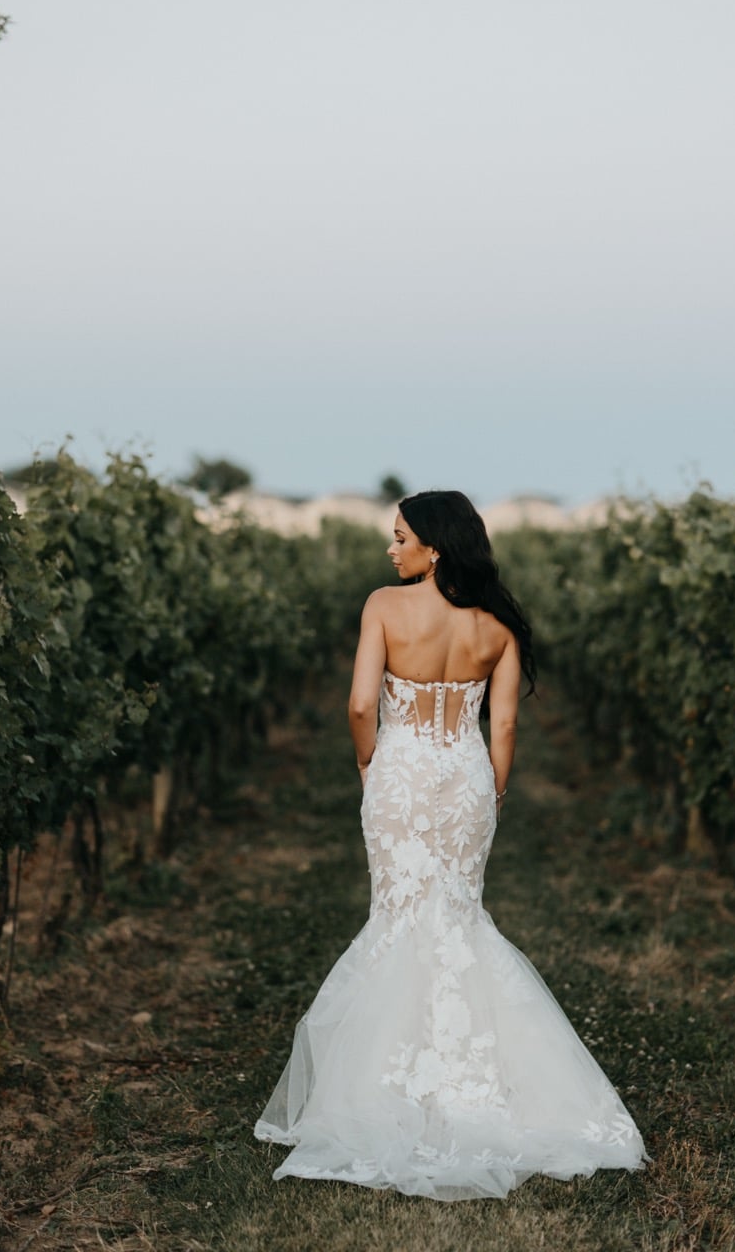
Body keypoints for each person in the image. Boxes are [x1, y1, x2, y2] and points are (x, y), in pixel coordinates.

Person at [254, 490, 648, 1200]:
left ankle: (385, 1091)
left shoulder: (383, 606)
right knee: (459, 919)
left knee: (400, 918)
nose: (390, 548)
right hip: (464, 777)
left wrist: (368, 764)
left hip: (401, 774)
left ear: (435, 545)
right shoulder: (497, 624)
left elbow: (359, 705)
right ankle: (479, 1087)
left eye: (400, 536)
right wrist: (490, 795)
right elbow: (503, 730)